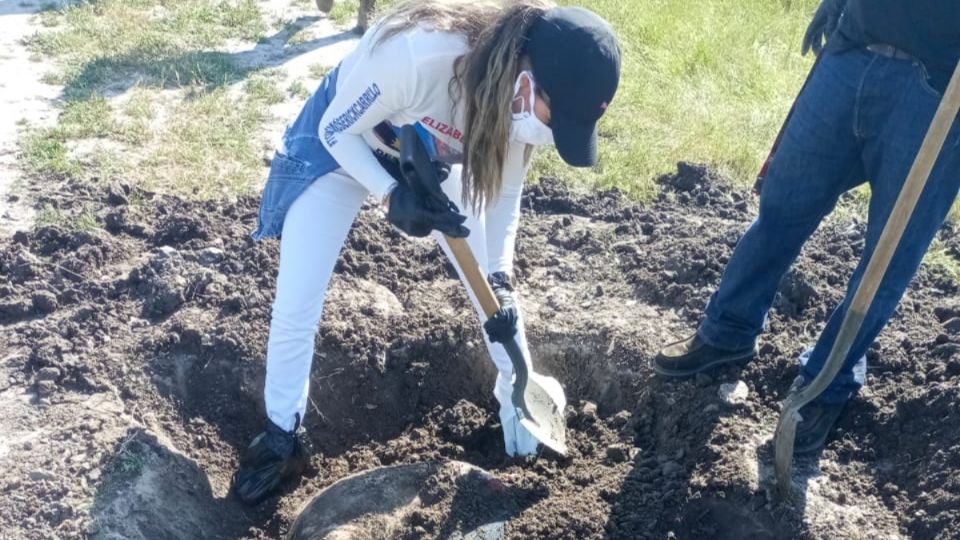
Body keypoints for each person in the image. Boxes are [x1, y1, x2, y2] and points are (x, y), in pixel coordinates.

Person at [233, 0, 621, 504]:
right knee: (297, 301)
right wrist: (392, 195)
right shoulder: (420, 59)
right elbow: (335, 129)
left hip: (429, 159)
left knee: (495, 297)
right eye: (557, 117)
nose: (551, 133)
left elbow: (502, 197)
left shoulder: (517, 113)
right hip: (346, 143)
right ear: (527, 79)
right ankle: (282, 438)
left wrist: (498, 280)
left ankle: (521, 414)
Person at [655, 0, 960, 454]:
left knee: (886, 259)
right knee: (782, 207)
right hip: (853, 48)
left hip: (938, 86)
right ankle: (728, 331)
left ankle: (825, 384)